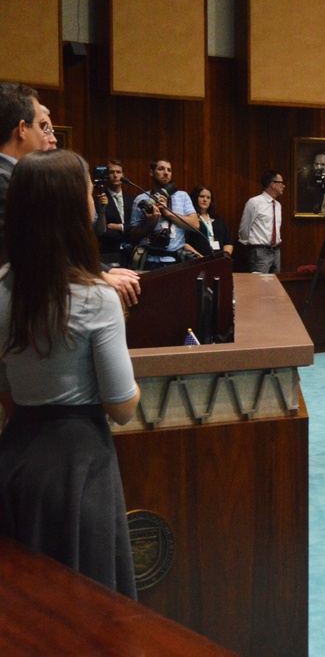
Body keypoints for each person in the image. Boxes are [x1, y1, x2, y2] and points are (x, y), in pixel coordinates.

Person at [0, 149, 141, 598]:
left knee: (29, 609)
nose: (95, 199)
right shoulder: (95, 297)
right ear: (70, 207)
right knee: (89, 608)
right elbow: (121, 407)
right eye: (88, 191)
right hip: (79, 467)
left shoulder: (3, 286)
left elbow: (7, 392)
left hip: (16, 456)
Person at [0, 82, 48, 255]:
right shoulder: (8, 183)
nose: (44, 134)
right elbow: (30, 253)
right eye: (41, 126)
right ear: (22, 129)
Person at [129, 159, 199, 270]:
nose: (166, 172)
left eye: (169, 170)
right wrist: (151, 223)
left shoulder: (183, 196)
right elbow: (133, 236)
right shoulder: (141, 199)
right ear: (151, 173)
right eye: (161, 169)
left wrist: (168, 213)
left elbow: (195, 225)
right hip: (149, 261)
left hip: (175, 261)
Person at [238, 171, 285, 273]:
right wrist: (251, 247)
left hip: (276, 251)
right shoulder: (254, 202)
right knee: (259, 286)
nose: (283, 186)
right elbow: (244, 228)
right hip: (260, 252)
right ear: (273, 184)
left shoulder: (278, 205)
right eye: (281, 182)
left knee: (275, 285)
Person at [96, 160, 133, 260]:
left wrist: (119, 227)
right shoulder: (100, 200)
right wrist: (129, 236)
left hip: (132, 253)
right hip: (109, 251)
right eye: (111, 172)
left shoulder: (131, 200)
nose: (115, 175)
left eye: (118, 172)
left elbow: (136, 226)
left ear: (123, 175)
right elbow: (102, 231)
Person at [190, 186, 234, 256]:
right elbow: (185, 243)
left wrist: (225, 258)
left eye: (208, 197)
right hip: (198, 261)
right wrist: (202, 259)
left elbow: (228, 242)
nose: (205, 200)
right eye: (202, 196)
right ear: (195, 198)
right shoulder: (191, 219)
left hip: (219, 261)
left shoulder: (218, 219)